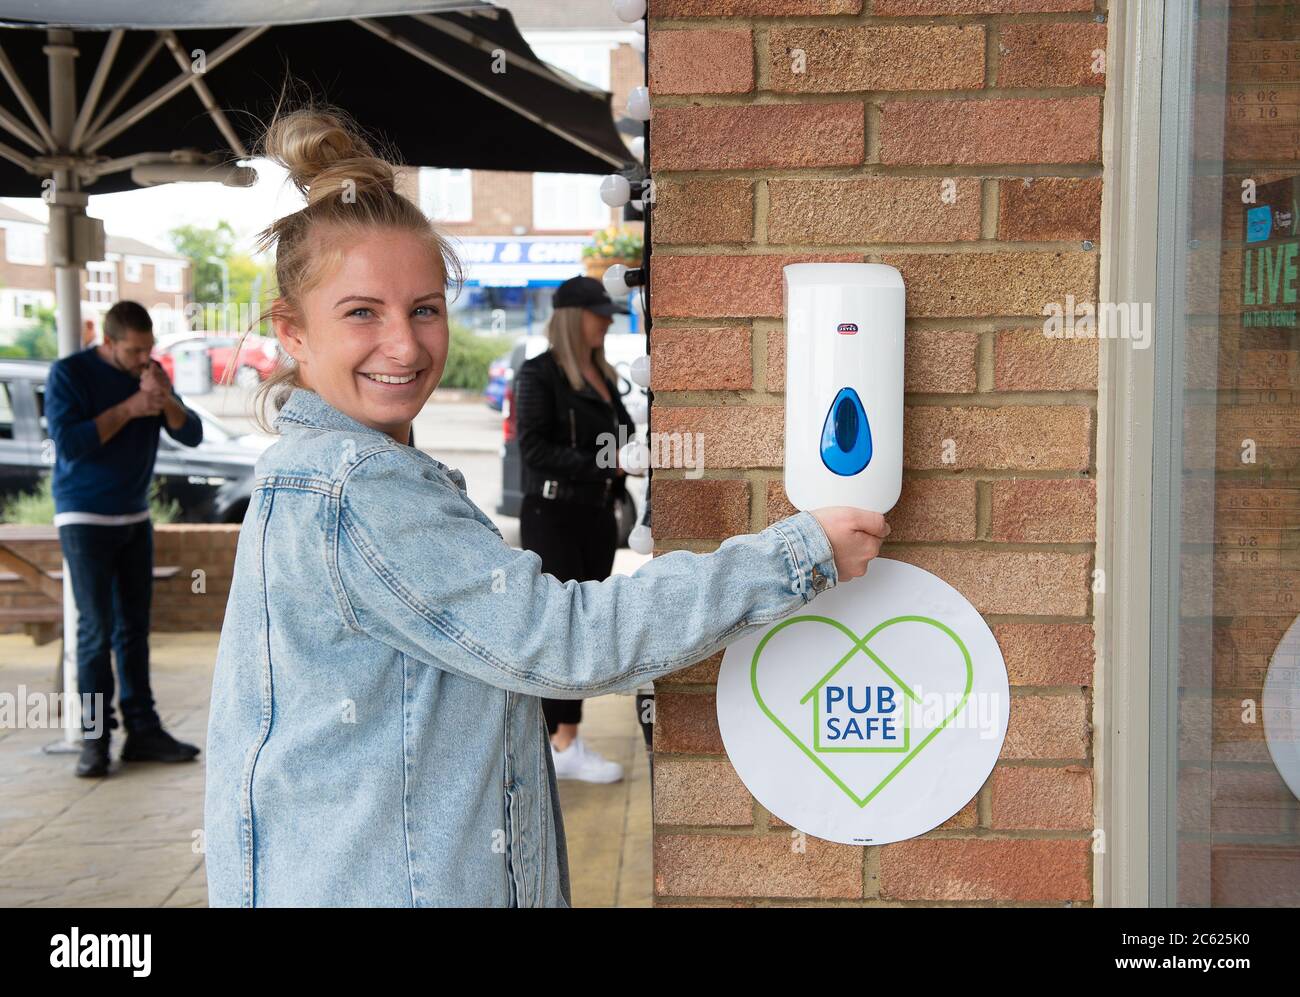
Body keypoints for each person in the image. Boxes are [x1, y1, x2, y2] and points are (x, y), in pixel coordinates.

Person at [203, 105, 890, 907]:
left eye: (425, 309)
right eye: (362, 312)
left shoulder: (314, 470)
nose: (406, 344)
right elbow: (564, 640)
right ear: (292, 331)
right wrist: (796, 557)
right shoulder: (356, 487)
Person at [44, 300, 205, 777]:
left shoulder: (149, 373)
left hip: (134, 517)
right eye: (134, 351)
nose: (143, 359)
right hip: (84, 517)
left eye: (148, 349)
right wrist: (133, 407)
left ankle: (143, 731)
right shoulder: (69, 374)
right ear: (109, 343)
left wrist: (165, 399)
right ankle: (95, 741)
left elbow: (191, 434)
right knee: (95, 632)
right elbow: (70, 444)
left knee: (133, 630)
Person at [514, 275, 637, 783]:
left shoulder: (601, 373)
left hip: (595, 516)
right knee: (561, 629)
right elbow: (534, 449)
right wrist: (607, 465)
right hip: (553, 516)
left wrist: (625, 455)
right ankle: (561, 740)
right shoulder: (540, 374)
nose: (608, 320)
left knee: (584, 628)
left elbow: (620, 433)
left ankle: (564, 737)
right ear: (573, 318)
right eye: (599, 313)